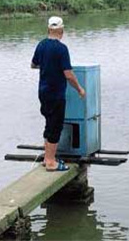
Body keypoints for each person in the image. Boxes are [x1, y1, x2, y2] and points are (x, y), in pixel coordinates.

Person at [31, 16, 86, 171]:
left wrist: (47, 66)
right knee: (55, 126)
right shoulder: (61, 49)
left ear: (48, 29)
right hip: (56, 93)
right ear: (61, 30)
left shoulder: (41, 45)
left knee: (49, 123)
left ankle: (47, 158)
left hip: (43, 92)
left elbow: (33, 64)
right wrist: (80, 89)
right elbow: (68, 74)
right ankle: (50, 162)